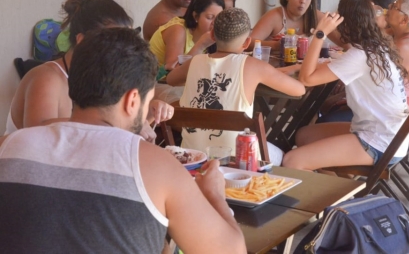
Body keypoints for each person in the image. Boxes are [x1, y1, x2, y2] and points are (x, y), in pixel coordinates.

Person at [0, 28, 246, 253]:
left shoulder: (8, 146)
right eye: (148, 100)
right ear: (132, 101)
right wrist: (214, 195)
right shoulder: (156, 167)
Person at [5, 0, 172, 139]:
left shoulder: (103, 78)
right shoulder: (47, 78)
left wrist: (144, 113)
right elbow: (38, 135)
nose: (123, 52)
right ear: (82, 41)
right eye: (113, 43)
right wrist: (120, 123)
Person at [282, 0, 409, 171]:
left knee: (292, 161)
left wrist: (320, 34)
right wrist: (295, 67)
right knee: (304, 136)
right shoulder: (375, 47)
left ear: (346, 24)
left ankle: (334, 195)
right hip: (390, 135)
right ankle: (333, 186)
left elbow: (306, 79)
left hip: (380, 143)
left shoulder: (360, 55)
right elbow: (329, 67)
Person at [167, 8, 305, 164]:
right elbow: (299, 89)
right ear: (247, 43)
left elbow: (171, 79)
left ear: (212, 36)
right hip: (237, 161)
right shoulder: (254, 66)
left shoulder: (194, 62)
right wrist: (290, 69)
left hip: (194, 160)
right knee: (286, 157)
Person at [251, 0, 339, 50]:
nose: (303, 1)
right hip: (277, 67)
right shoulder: (275, 16)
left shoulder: (315, 15)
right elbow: (248, 43)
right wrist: (276, 45)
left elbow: (344, 43)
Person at [149, 0, 224, 70]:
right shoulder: (177, 30)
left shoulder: (213, 36)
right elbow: (172, 72)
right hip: (154, 80)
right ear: (196, 16)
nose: (215, 23)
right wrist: (201, 45)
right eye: (210, 17)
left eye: (219, 18)